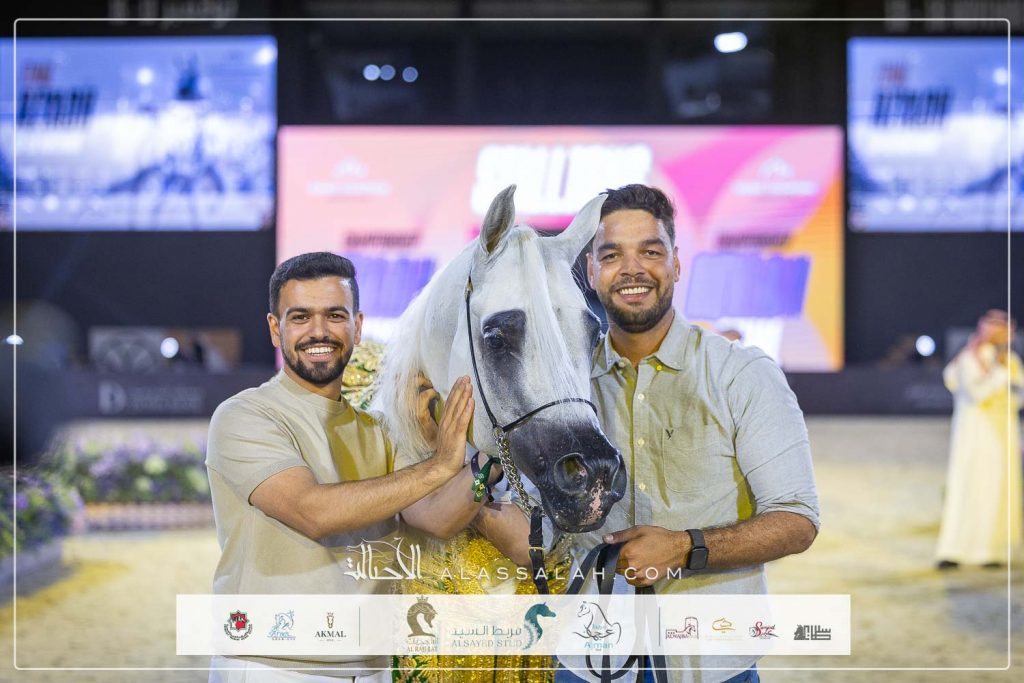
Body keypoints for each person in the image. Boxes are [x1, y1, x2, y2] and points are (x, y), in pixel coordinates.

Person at [562, 184, 821, 683]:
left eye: (650, 252)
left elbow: (797, 519)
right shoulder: (562, 387)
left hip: (709, 663)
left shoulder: (741, 374)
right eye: (612, 255)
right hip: (585, 660)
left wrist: (684, 547)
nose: (632, 269)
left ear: (676, 263)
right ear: (591, 271)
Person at [205, 252, 502, 682]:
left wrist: (491, 457)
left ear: (357, 327)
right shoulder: (245, 416)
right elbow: (313, 512)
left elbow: (436, 518)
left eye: (335, 315)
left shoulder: (379, 430)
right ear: (275, 328)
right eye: (300, 317)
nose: (319, 331)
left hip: (370, 668)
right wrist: (439, 467)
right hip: (272, 665)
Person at [936, 309, 1023, 569]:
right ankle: (956, 549)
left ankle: (993, 550)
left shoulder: (1010, 360)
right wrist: (1000, 375)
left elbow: (1018, 395)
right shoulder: (970, 358)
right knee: (969, 485)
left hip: (1002, 433)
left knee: (998, 488)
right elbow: (976, 393)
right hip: (974, 434)